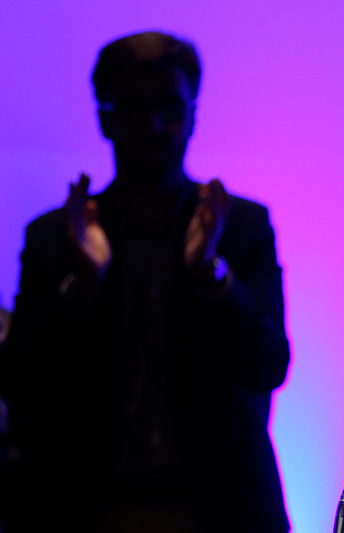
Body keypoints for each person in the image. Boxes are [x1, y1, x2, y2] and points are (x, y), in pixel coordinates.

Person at [0, 31, 290, 532]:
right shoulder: (55, 237)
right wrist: (80, 284)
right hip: (78, 510)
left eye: (169, 106)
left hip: (221, 510)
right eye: (134, 109)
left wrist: (213, 277)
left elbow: (268, 365)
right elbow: (16, 382)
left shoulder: (239, 227)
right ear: (105, 118)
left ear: (193, 114)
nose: (154, 126)